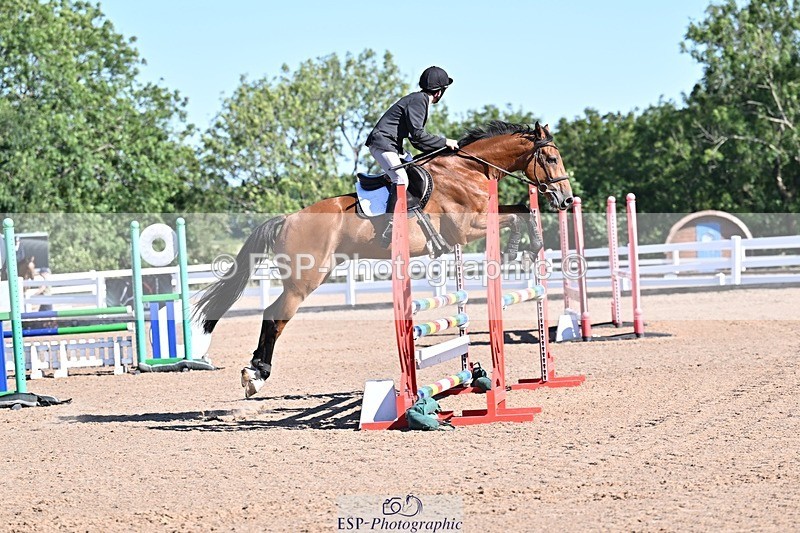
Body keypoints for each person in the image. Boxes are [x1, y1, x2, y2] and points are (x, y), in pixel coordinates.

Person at [365, 66, 460, 246]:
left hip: (393, 145)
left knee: (417, 170)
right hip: (382, 143)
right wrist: (445, 141)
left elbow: (417, 142)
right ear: (440, 92)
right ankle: (389, 226)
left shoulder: (419, 99)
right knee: (401, 179)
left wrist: (442, 149)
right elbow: (418, 136)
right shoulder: (419, 100)